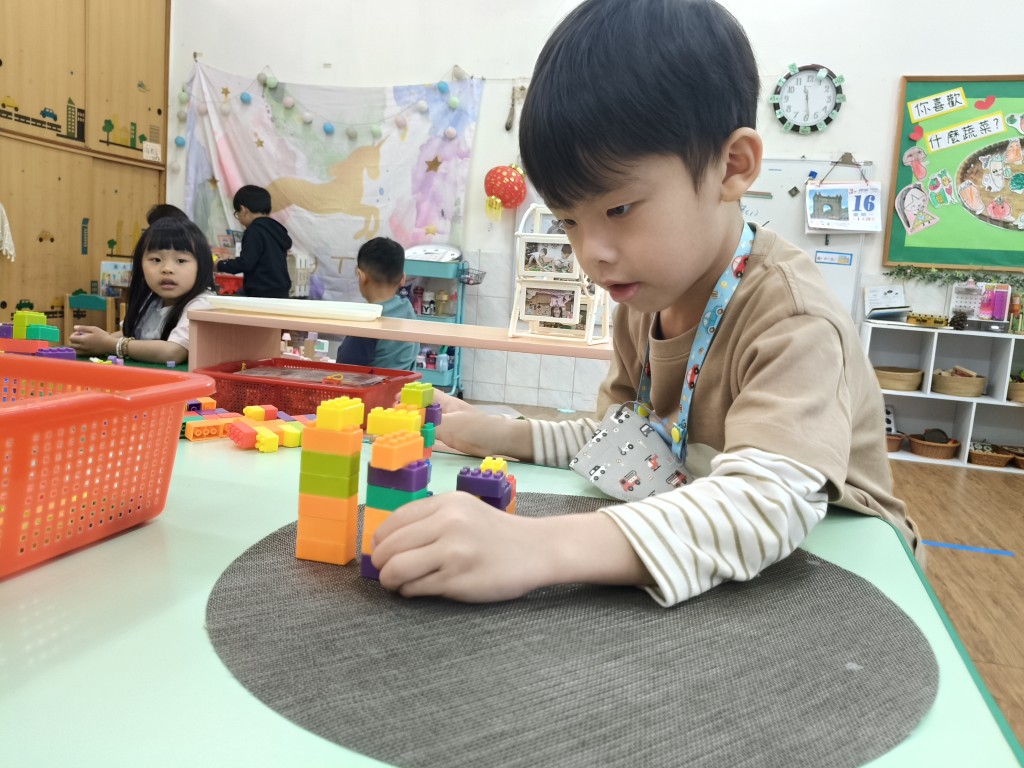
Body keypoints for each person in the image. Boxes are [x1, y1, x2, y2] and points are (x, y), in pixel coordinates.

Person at [368, 0, 919, 608]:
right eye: (569, 221)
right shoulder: (644, 298)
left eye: (620, 209)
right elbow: (624, 441)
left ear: (732, 167)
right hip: (725, 572)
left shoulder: (790, 316)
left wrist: (533, 547)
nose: (592, 254)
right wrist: (495, 430)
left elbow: (766, 504)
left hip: (845, 585)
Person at [68, 217, 215, 365]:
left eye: (181, 261)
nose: (167, 269)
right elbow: (129, 333)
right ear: (140, 265)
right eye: (156, 260)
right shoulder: (152, 300)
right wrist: (92, 342)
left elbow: (172, 352)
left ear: (202, 266)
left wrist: (109, 344)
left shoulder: (202, 304)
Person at [336, 237, 419, 370]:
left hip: (376, 384)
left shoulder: (368, 320)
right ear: (403, 278)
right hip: (407, 383)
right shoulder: (407, 308)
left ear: (361, 276)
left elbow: (345, 368)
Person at [216, 185, 292, 298]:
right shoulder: (276, 230)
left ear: (243, 210)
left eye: (237, 213)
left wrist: (219, 265)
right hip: (281, 294)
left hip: (262, 295)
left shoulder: (254, 230)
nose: (238, 217)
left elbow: (245, 263)